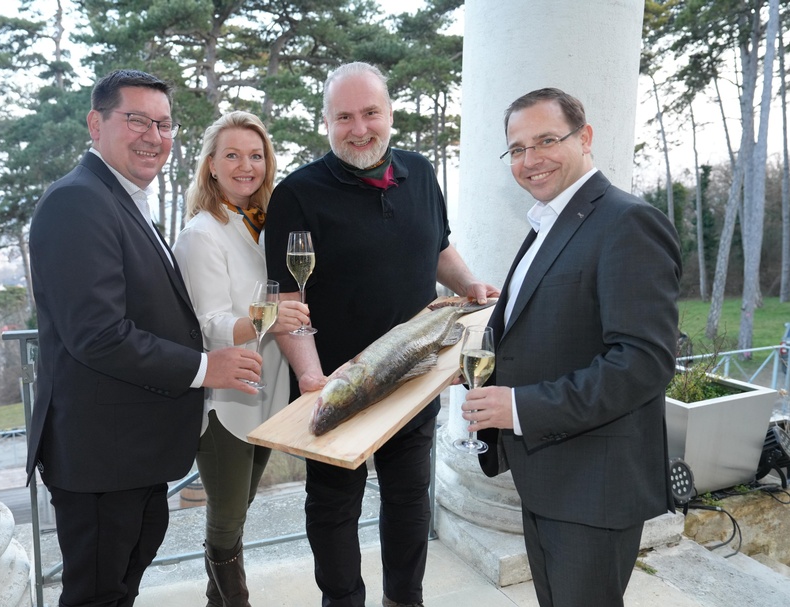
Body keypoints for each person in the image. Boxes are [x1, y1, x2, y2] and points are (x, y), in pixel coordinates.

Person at [26, 69, 263, 607]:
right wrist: (207, 368)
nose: (153, 136)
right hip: (100, 458)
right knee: (97, 596)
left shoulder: (125, 200)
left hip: (134, 453)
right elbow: (99, 335)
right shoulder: (77, 202)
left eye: (163, 124)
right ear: (96, 123)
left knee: (119, 590)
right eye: (136, 120)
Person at [264, 61, 497, 607]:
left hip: (415, 377)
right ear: (326, 122)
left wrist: (470, 284)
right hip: (340, 386)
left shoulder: (421, 172)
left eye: (370, 112)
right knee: (332, 507)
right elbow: (285, 300)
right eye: (343, 116)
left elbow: (436, 248)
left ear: (390, 113)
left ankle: (403, 599)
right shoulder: (297, 194)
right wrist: (310, 375)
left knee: (410, 499)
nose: (359, 127)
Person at [463, 88, 682, 607]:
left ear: (584, 138)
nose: (530, 160)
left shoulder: (628, 222)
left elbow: (643, 362)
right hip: (550, 478)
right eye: (516, 149)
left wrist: (517, 406)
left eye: (545, 140)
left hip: (595, 489)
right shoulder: (549, 222)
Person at [171, 111, 309, 606]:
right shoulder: (201, 234)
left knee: (242, 507)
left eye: (256, 155)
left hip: (267, 389)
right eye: (232, 155)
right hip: (225, 396)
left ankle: (217, 601)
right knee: (227, 518)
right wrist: (273, 317)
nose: (245, 165)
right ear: (211, 165)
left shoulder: (268, 226)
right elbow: (210, 323)